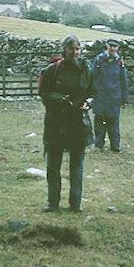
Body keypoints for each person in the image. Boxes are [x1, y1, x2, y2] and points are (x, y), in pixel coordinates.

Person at [39, 35, 95, 213]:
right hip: (56, 123)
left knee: (77, 165)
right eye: (71, 48)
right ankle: (53, 203)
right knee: (53, 165)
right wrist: (61, 100)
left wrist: (89, 102)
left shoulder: (86, 70)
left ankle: (75, 204)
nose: (75, 52)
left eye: (77, 49)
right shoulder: (51, 71)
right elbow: (44, 94)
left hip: (78, 123)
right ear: (64, 50)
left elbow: (93, 92)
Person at [91, 39, 129, 152]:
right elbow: (92, 76)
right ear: (107, 46)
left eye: (115, 47)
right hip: (100, 95)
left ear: (118, 48)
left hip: (114, 97)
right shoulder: (99, 60)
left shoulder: (119, 62)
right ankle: (99, 145)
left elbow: (123, 80)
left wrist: (124, 98)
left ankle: (115, 145)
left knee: (113, 122)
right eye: (111, 46)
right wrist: (91, 93)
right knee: (99, 120)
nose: (113, 49)